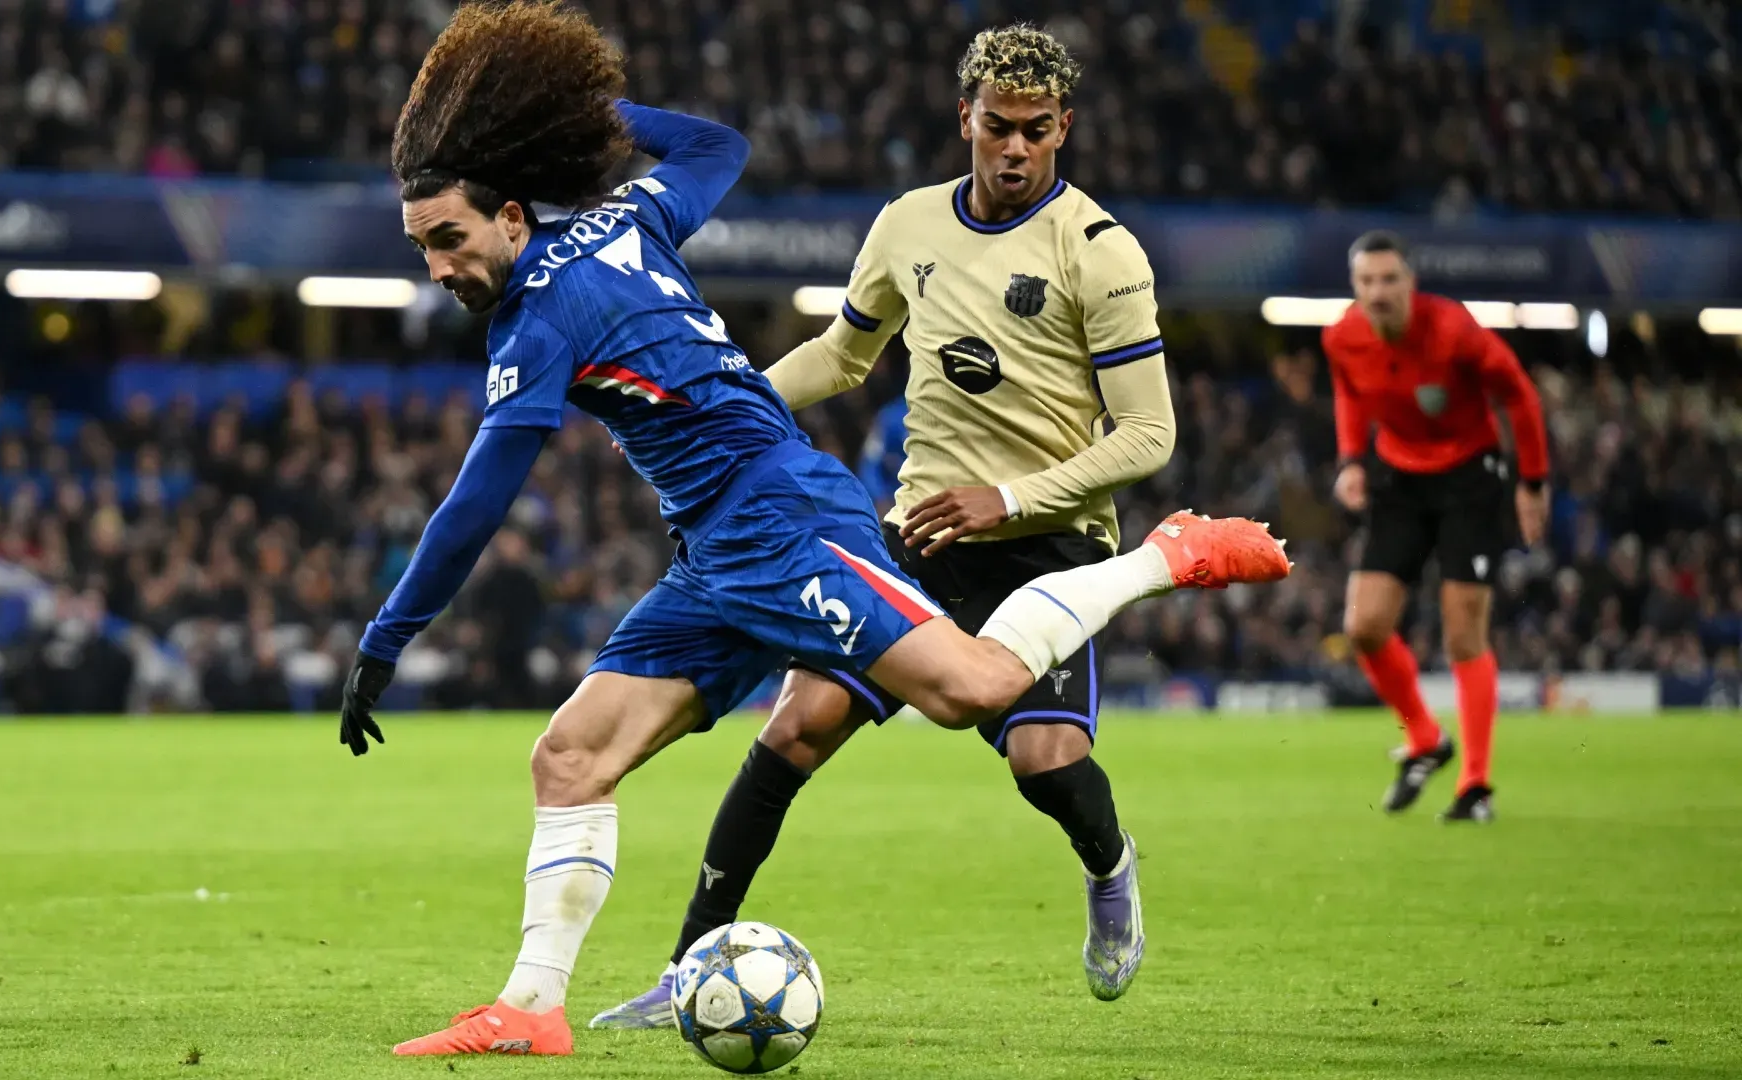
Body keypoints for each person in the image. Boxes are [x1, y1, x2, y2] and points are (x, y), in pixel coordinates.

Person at [336, 1, 1289, 1058]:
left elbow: (480, 498)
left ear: (513, 216)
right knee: (570, 756)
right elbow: (714, 147)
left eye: (451, 240)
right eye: (422, 247)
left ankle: (1172, 554)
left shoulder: (538, 320)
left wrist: (385, 635)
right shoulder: (626, 214)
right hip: (720, 546)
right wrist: (580, 118)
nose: (439, 268)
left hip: (789, 523)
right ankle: (530, 1007)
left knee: (978, 692)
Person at [593, 23, 1192, 1028]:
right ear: (965, 117)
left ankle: (1110, 867)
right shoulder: (908, 224)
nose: (1013, 150)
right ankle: (685, 968)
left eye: (1035, 132)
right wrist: (716, 415)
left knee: (1044, 763)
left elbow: (1149, 433)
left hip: (1046, 549)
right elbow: (842, 354)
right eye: (997, 127)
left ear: (1064, 129)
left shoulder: (1100, 250)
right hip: (918, 539)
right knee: (795, 727)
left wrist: (1009, 497)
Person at [1324, 231, 1550, 823]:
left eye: (1389, 280)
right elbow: (1349, 391)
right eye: (1367, 281)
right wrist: (1351, 459)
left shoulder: (1454, 332)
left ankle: (1474, 785)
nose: (1378, 292)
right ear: (1355, 286)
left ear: (1410, 283)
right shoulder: (1342, 336)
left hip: (1469, 478)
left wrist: (1533, 481)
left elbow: (1519, 395)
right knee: (1364, 626)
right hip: (1399, 477)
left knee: (1461, 634)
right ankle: (1426, 738)